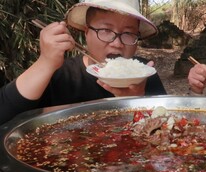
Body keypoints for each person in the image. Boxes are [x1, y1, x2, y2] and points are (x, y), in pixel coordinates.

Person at [0, 0, 166, 125]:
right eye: (106, 30)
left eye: (129, 33)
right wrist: (45, 63)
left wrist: (138, 100)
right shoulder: (60, 74)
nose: (117, 43)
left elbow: (166, 126)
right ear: (86, 33)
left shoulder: (144, 73)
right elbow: (5, 117)